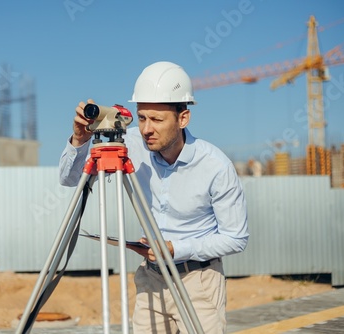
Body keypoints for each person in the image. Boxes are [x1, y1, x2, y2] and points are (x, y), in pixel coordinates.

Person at [59, 61, 249, 333]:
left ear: (183, 118)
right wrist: (79, 140)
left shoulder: (216, 166)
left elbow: (236, 237)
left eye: (157, 120)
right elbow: (70, 179)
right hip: (151, 278)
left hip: (198, 282)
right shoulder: (129, 143)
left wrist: (175, 249)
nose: (147, 129)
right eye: (142, 117)